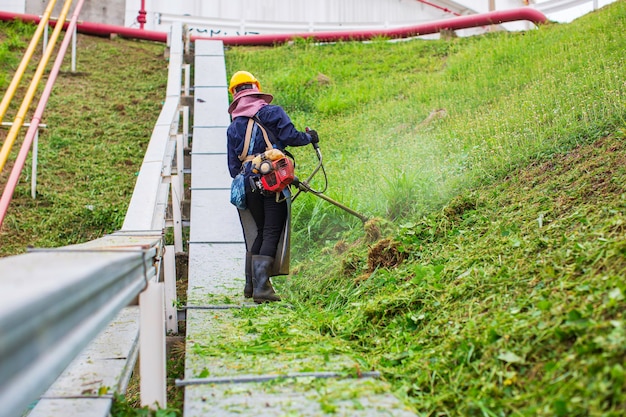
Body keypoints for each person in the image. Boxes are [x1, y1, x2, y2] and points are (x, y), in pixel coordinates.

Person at [227, 70, 319, 303]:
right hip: (272, 181)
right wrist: (311, 138)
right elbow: (292, 137)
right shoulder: (271, 112)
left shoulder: (234, 127)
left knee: (259, 231)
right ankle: (262, 289)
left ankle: (251, 285)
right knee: (270, 231)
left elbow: (231, 168)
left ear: (235, 95)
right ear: (256, 88)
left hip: (248, 184)